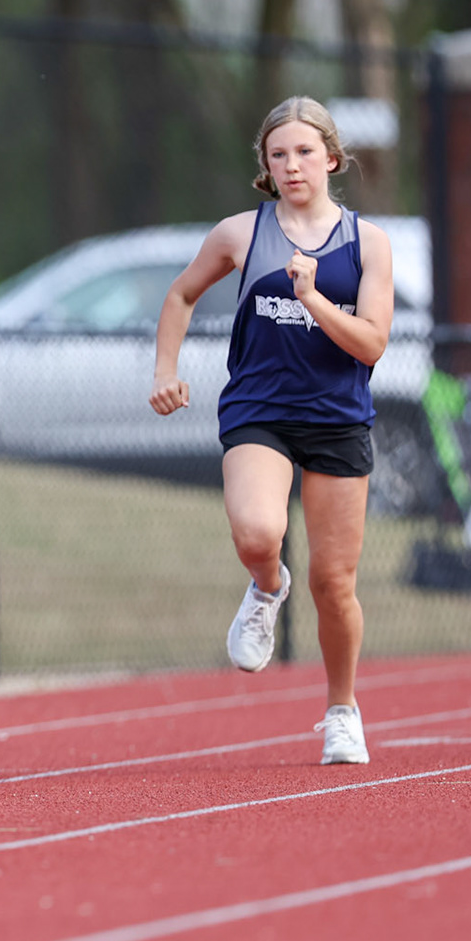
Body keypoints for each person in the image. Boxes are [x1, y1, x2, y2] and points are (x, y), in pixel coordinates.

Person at [149, 96, 394, 766]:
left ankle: (342, 710)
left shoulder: (367, 243)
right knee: (260, 533)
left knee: (333, 583)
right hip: (260, 410)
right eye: (278, 154)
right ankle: (264, 585)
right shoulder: (240, 234)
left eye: (305, 152)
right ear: (265, 164)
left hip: (338, 419)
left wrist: (313, 297)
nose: (292, 165)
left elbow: (371, 345)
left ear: (332, 159)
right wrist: (164, 370)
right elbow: (180, 295)